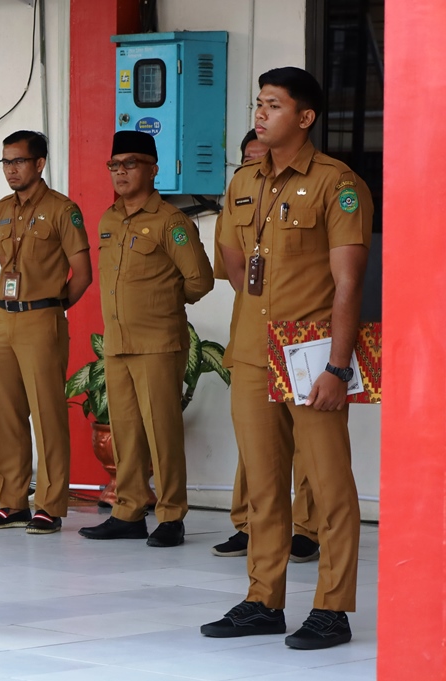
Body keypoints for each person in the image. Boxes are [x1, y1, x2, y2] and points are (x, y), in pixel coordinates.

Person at [200, 67, 372, 650]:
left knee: (328, 485)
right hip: (251, 350)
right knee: (264, 486)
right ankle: (262, 599)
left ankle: (332, 608)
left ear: (304, 117)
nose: (261, 113)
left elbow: (349, 284)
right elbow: (229, 256)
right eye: (258, 103)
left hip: (311, 353)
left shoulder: (337, 183)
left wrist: (338, 366)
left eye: (273, 105)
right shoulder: (243, 180)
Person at [78, 130, 214, 547]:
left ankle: (171, 515)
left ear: (153, 169)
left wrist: (163, 302)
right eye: (114, 165)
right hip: (118, 344)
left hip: (158, 342)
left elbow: (200, 280)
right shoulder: (109, 219)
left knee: (163, 433)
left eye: (130, 164)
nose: (120, 173)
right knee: (127, 432)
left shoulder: (171, 222)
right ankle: (129, 510)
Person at [211, 129, 320, 564]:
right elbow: (233, 268)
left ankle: (307, 527)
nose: (257, 166)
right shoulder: (238, 196)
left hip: (303, 335)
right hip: (251, 334)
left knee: (309, 443)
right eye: (249, 160)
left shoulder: (322, 186)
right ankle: (248, 523)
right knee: (255, 442)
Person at [0, 131, 92, 535]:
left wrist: (52, 307)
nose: (11, 169)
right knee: (6, 412)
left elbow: (83, 273)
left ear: (39, 163)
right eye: (6, 162)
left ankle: (50, 504)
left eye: (19, 161)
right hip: (2, 318)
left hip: (41, 318)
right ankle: (12, 503)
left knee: (47, 414)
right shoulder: (2, 209)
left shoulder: (63, 210)